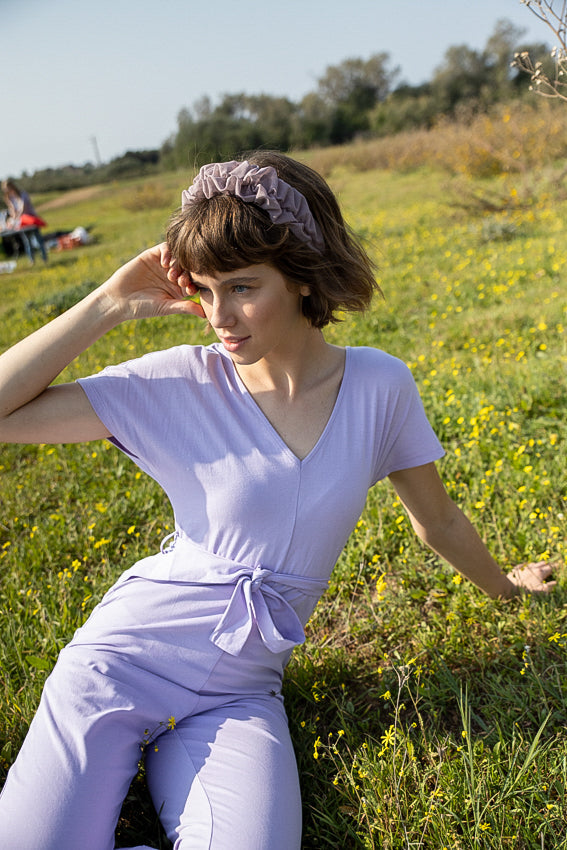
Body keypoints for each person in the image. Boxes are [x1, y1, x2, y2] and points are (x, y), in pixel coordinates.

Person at [0, 152, 555, 850]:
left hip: (239, 694)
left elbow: (436, 519)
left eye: (239, 288)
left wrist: (505, 590)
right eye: (201, 290)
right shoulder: (179, 382)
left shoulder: (379, 387)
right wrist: (108, 303)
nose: (216, 316)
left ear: (300, 273)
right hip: (122, 661)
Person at [1, 178, 48, 262]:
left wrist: (16, 217)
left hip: (30, 219)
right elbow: (12, 210)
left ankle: (44, 258)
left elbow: (22, 208)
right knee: (27, 241)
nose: (6, 191)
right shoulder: (9, 198)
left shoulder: (22, 194)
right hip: (21, 222)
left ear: (12, 186)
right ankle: (31, 260)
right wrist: (13, 218)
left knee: (38, 239)